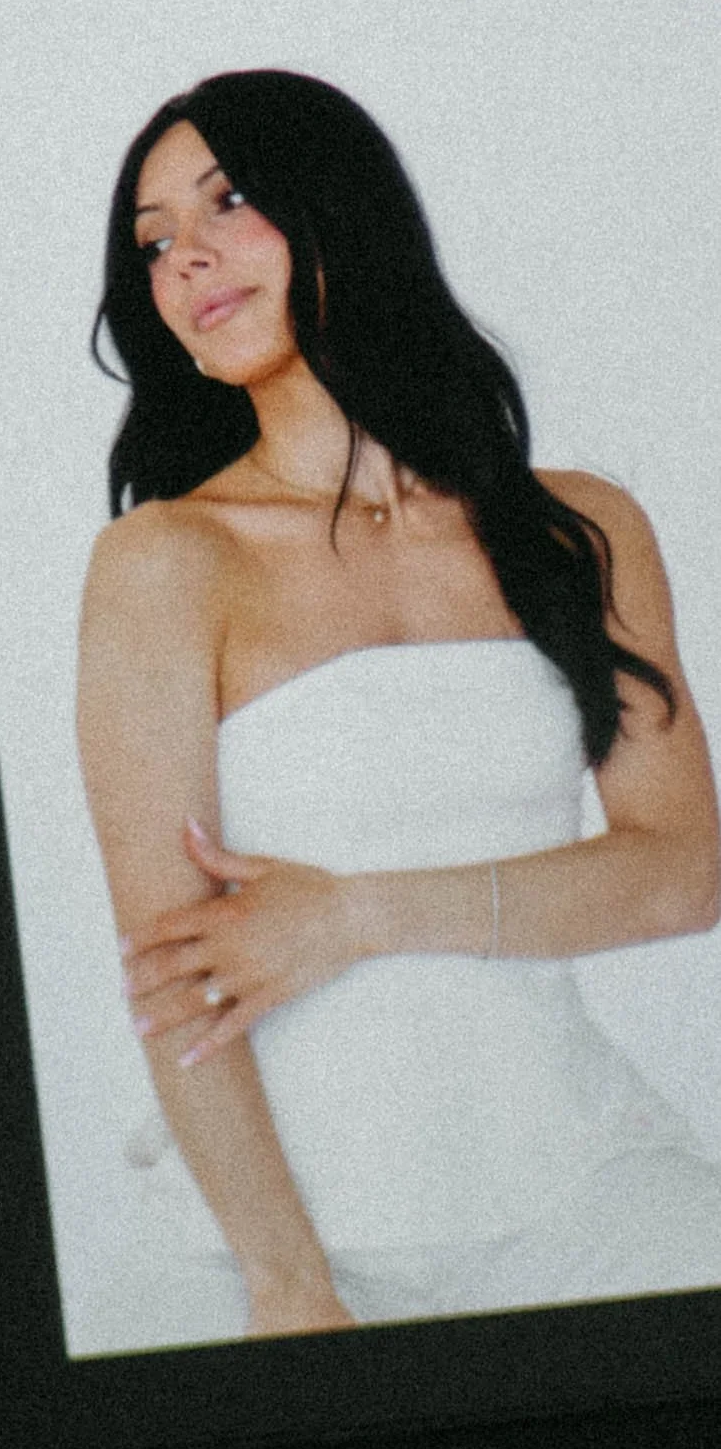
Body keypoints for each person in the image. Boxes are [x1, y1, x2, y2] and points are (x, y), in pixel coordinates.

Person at [76, 68, 721, 1341]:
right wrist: (286, 1281)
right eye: (153, 242)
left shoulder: (580, 527)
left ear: (341, 212)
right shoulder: (163, 561)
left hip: (582, 1191)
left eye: (227, 202)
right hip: (269, 1239)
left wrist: (352, 916)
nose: (184, 258)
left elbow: (682, 873)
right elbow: (174, 975)